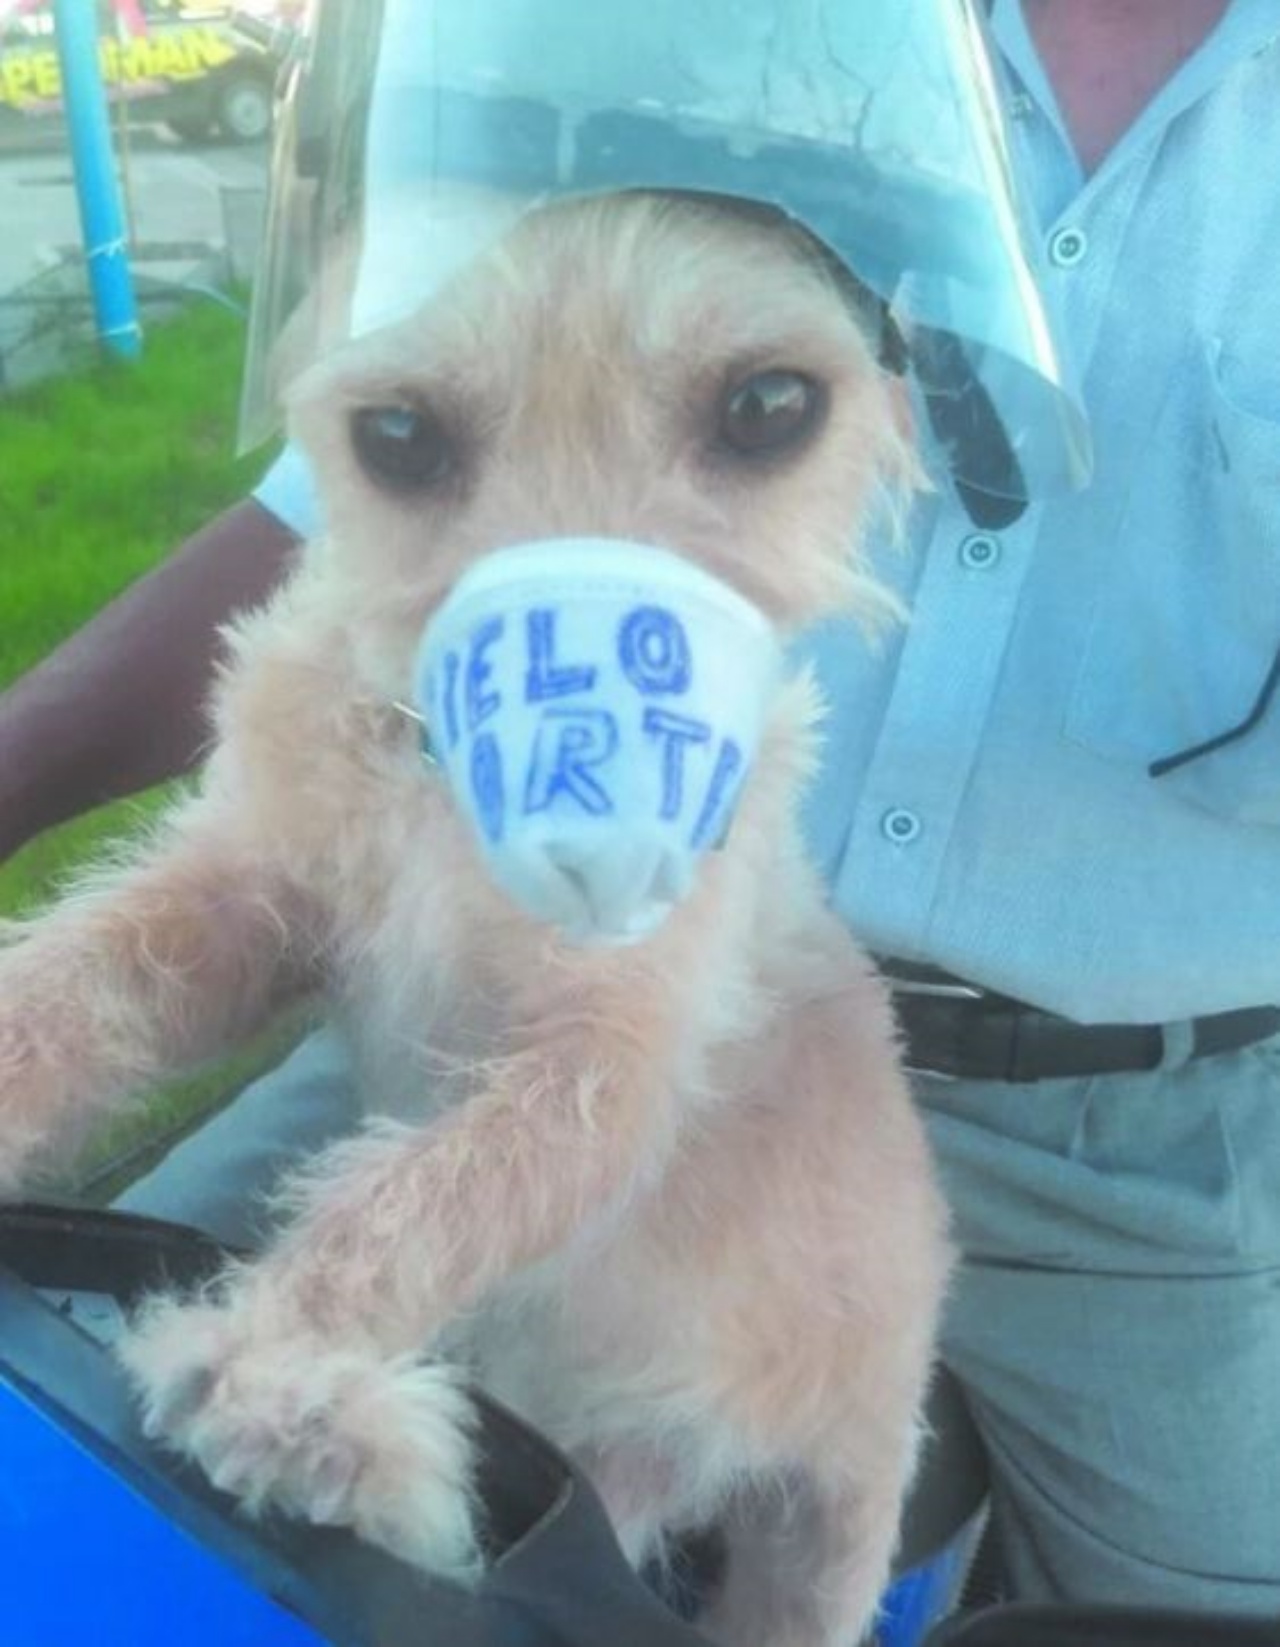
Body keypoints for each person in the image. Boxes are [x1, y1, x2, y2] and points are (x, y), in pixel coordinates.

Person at [3, 0, 1279, 1620]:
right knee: (86, 1481)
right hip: (482, 1000)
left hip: (1134, 1145)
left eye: (759, 415)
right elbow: (386, 412)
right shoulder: (721, 21)